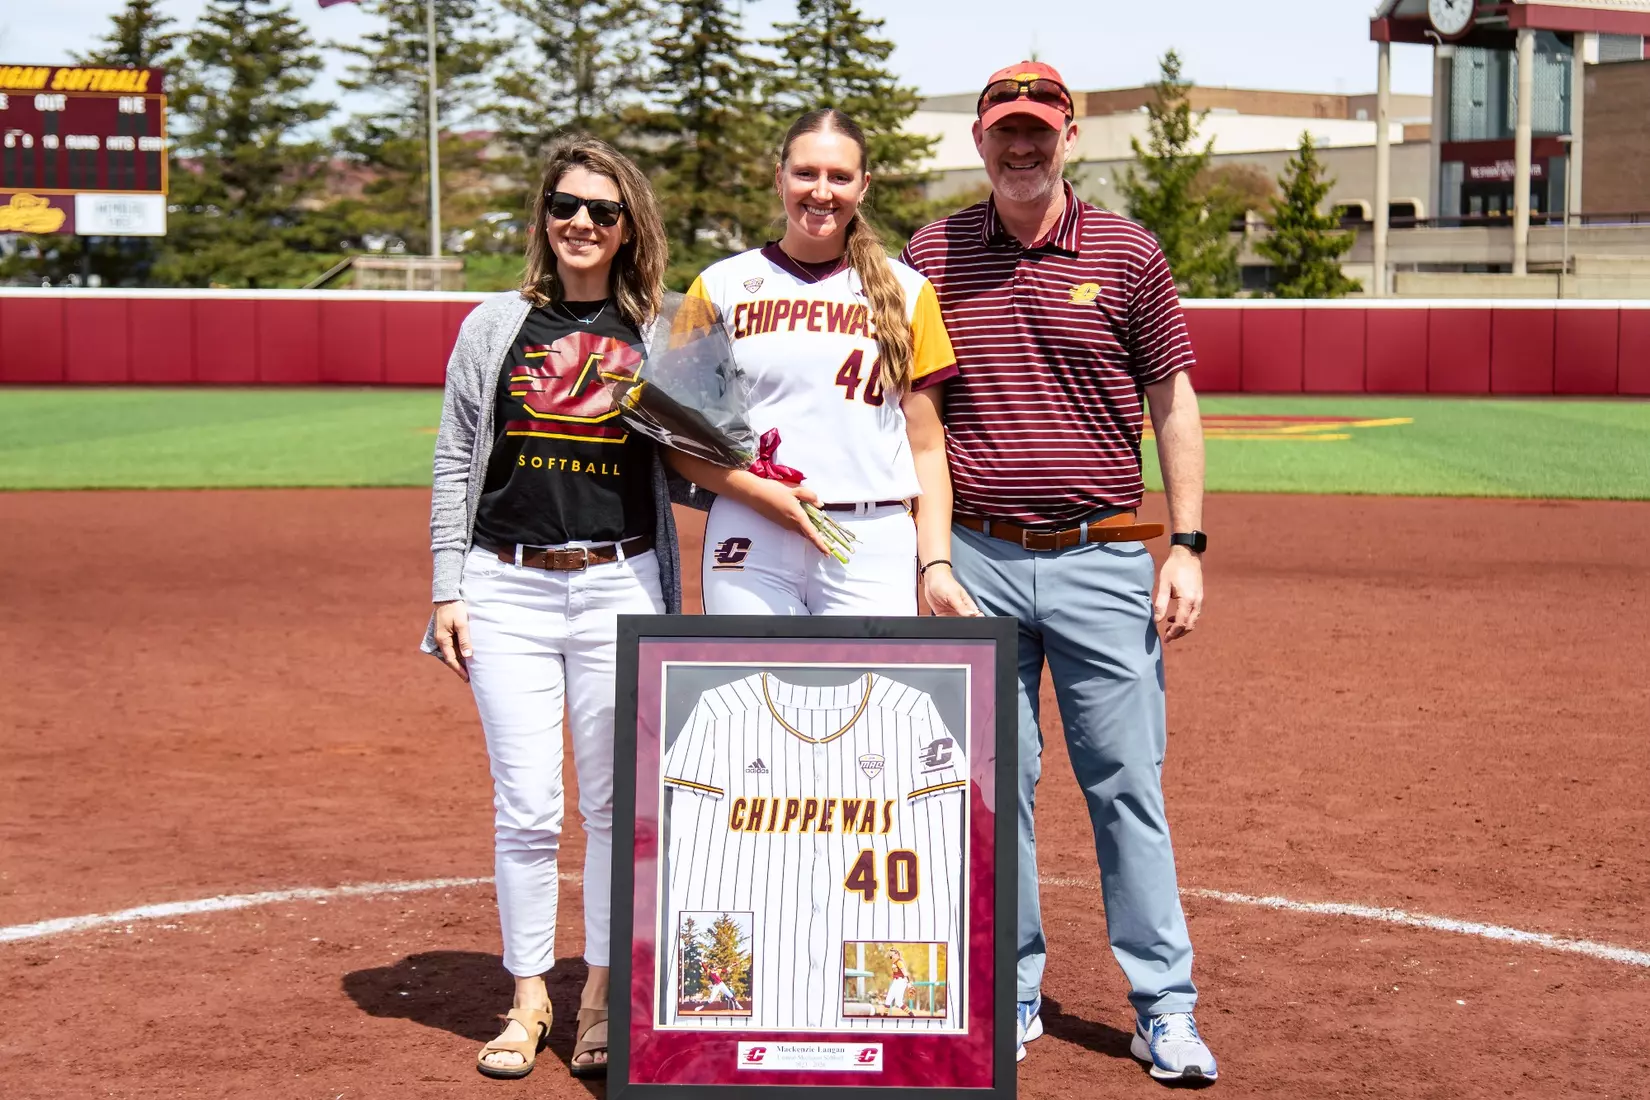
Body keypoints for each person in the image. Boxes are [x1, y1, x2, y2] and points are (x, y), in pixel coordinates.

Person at [901, 62, 1218, 1084]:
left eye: (1039, 130)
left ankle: (1163, 1004)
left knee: (1126, 785)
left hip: (1104, 555)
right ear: (979, 139)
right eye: (1005, 130)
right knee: (999, 789)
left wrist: (1190, 543)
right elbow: (914, 419)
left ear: (1070, 136)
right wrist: (931, 553)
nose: (1022, 147)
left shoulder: (1127, 250)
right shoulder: (931, 252)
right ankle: (1013, 982)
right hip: (980, 562)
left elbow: (1171, 400)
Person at [423, 135, 682, 1080]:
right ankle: (530, 996)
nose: (581, 223)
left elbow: (700, 461)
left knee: (615, 807)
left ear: (628, 229)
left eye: (602, 211)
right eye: (566, 206)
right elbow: (457, 460)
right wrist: (448, 586)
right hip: (507, 584)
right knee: (528, 807)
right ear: (544, 216)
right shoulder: (493, 327)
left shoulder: (662, 328)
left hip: (622, 580)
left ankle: (602, 997)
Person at [664, 108, 978, 619]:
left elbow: (925, 445)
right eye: (805, 173)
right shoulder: (719, 285)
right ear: (779, 177)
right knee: (752, 697)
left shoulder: (908, 291)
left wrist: (936, 563)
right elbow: (681, 442)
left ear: (864, 184)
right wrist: (760, 494)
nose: (821, 191)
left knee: (864, 699)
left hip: (871, 536)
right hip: (752, 527)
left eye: (839, 176)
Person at [883, 949, 910, 1014]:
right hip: (896, 981)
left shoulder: (899, 962)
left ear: (897, 955)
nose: (891, 956)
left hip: (901, 981)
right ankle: (884, 1017)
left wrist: (909, 983)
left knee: (899, 1002)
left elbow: (905, 973)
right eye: (891, 955)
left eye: (893, 955)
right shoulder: (895, 962)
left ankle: (912, 1015)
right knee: (888, 999)